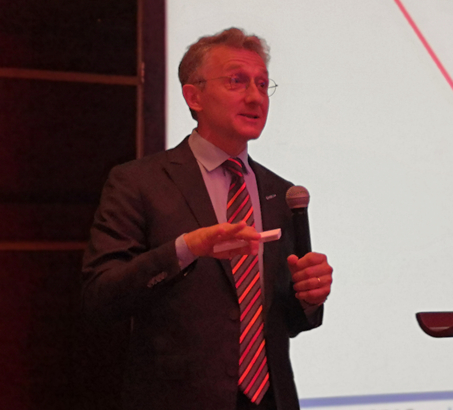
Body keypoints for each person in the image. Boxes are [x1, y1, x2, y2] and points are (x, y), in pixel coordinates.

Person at [82, 27, 333, 410]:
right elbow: (100, 296)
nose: (255, 97)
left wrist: (309, 298)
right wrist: (186, 249)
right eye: (237, 81)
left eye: (262, 84)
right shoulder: (139, 182)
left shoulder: (281, 193)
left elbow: (288, 321)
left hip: (271, 399)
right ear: (193, 96)